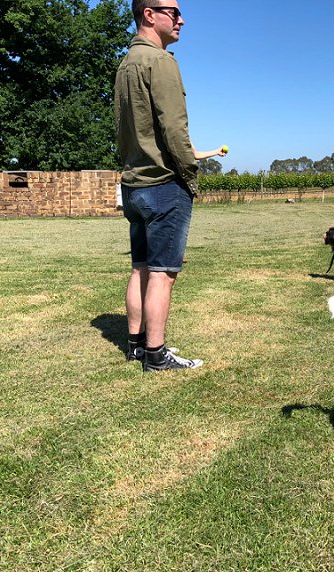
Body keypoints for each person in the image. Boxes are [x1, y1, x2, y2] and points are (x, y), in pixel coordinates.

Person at [115, 0, 226, 372]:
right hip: (163, 183)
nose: (182, 19)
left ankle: (135, 344)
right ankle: (157, 354)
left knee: (140, 268)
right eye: (174, 12)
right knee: (162, 274)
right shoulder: (161, 61)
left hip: (133, 184)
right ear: (150, 14)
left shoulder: (125, 64)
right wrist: (190, 177)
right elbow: (176, 131)